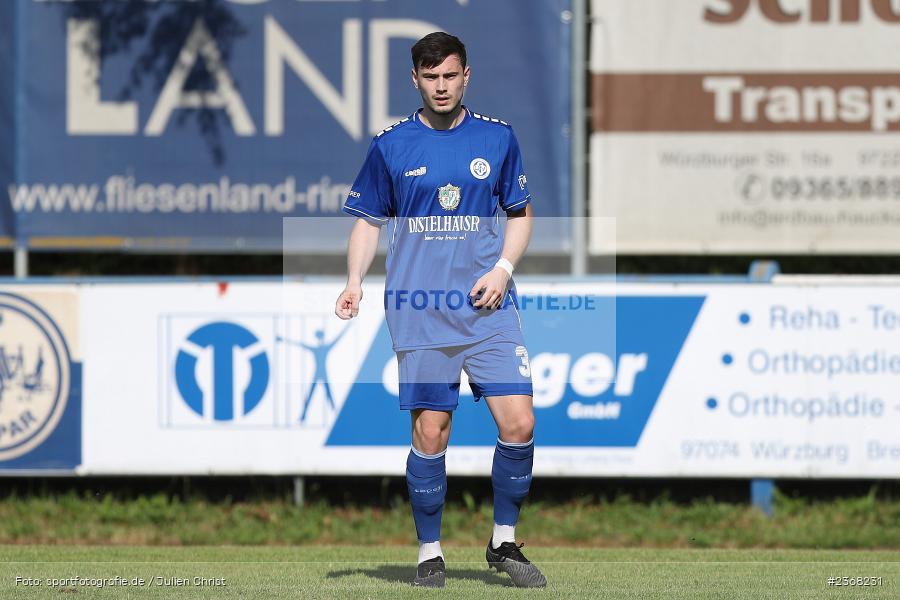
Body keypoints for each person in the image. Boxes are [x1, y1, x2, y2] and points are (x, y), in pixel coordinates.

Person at [334, 31, 545, 589]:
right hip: (420, 310)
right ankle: (430, 551)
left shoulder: (498, 139)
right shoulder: (392, 144)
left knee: (519, 422)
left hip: (488, 308)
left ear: (466, 74)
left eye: (450, 76)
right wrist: (354, 280)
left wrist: (503, 269)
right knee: (432, 433)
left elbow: (520, 213)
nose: (442, 86)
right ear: (416, 80)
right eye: (431, 78)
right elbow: (367, 220)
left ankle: (503, 542)